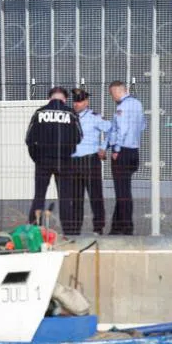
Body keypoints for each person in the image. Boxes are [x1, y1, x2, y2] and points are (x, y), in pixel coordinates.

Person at [25, 86, 82, 229]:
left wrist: (37, 157)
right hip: (64, 161)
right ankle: (68, 230)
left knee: (39, 195)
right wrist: (70, 154)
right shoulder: (71, 114)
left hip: (43, 160)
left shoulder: (40, 113)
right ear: (65, 99)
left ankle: (34, 227)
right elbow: (79, 138)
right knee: (65, 197)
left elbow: (29, 139)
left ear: (49, 98)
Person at [68, 89, 113, 236]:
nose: (76, 104)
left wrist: (103, 146)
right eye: (75, 101)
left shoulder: (94, 117)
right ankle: (74, 229)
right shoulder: (69, 117)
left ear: (86, 102)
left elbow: (112, 129)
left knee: (95, 196)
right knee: (75, 198)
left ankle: (98, 228)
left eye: (79, 101)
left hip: (90, 160)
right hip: (73, 161)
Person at [107, 80, 146, 235]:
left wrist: (116, 149)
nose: (112, 98)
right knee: (123, 189)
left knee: (122, 192)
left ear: (117, 91)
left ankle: (126, 226)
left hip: (122, 151)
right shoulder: (138, 104)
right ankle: (116, 227)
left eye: (111, 94)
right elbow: (143, 125)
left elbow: (121, 130)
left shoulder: (122, 107)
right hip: (134, 150)